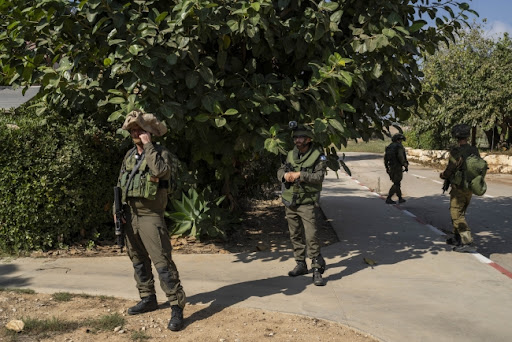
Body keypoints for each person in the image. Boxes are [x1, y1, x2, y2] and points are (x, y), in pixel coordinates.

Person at [114, 110, 186, 331]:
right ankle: (148, 298)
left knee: (163, 263)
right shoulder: (128, 156)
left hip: (150, 216)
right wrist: (116, 211)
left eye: (141, 130)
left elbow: (160, 171)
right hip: (130, 215)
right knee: (137, 260)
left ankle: (176, 306)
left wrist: (148, 147)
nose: (136, 133)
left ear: (150, 133)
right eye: (134, 130)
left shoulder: (161, 154)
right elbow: (119, 184)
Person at [277, 123, 327, 286]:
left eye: (300, 137)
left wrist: (300, 175)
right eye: (296, 138)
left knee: (311, 235)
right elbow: (280, 170)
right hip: (290, 200)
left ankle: (317, 268)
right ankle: (300, 264)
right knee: (295, 234)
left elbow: (319, 177)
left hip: (306, 201)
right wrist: (285, 176)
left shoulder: (318, 156)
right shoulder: (291, 154)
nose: (297, 140)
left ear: (308, 139)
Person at [440, 124, 479, 253]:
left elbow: (450, 169)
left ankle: (468, 242)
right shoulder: (474, 150)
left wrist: (443, 175)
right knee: (459, 213)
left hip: (459, 189)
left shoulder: (456, 152)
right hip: (470, 187)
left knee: (456, 214)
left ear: (456, 136)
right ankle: (457, 238)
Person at [384, 133, 409, 204]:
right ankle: (389, 198)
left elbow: (385, 158)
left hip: (391, 166)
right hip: (397, 166)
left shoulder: (389, 147)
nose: (401, 141)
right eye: (401, 140)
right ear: (398, 140)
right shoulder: (399, 147)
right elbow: (401, 156)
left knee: (397, 183)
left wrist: (386, 167)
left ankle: (400, 198)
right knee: (397, 182)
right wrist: (405, 164)